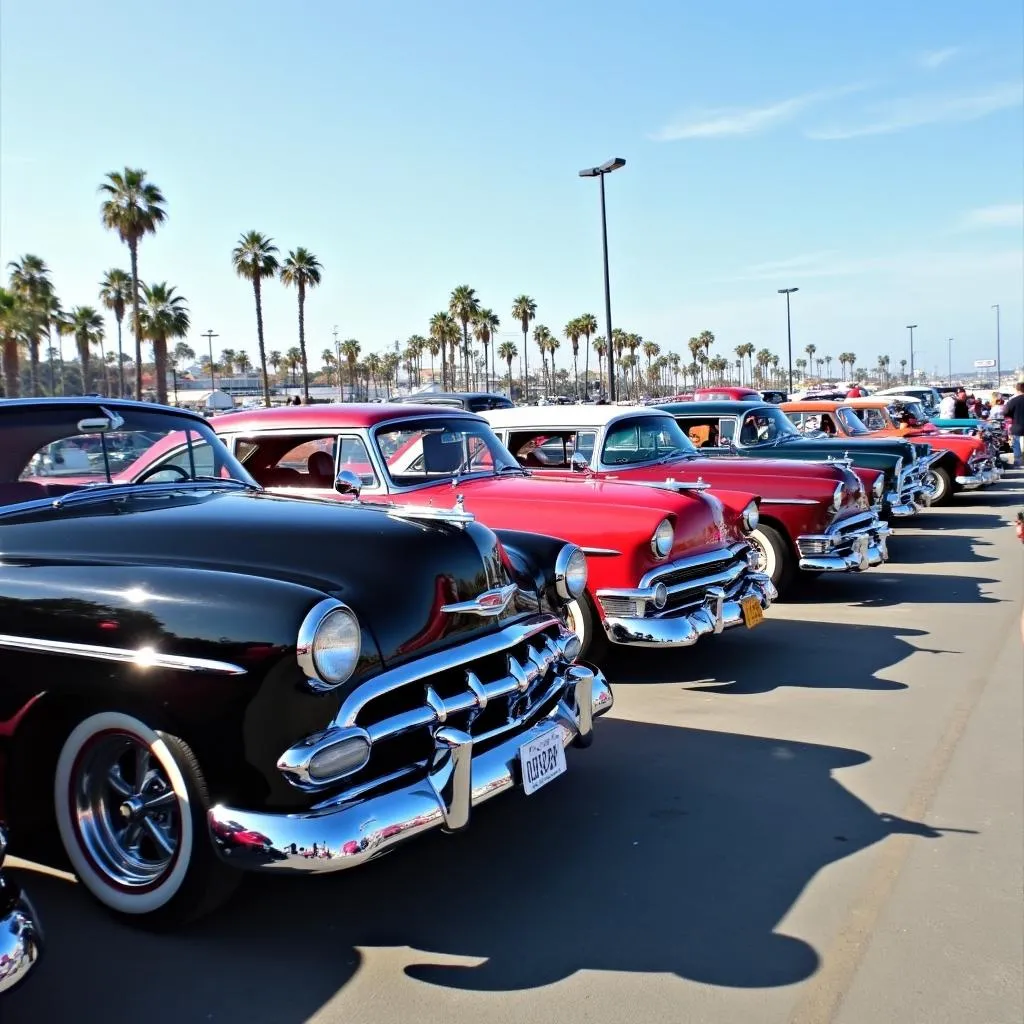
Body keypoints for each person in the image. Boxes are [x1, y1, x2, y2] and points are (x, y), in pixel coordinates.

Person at [1002, 382, 1024, 468]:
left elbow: (1005, 412)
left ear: (1017, 390)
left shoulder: (1013, 401)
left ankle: (1018, 463)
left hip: (1017, 426)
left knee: (1016, 445)